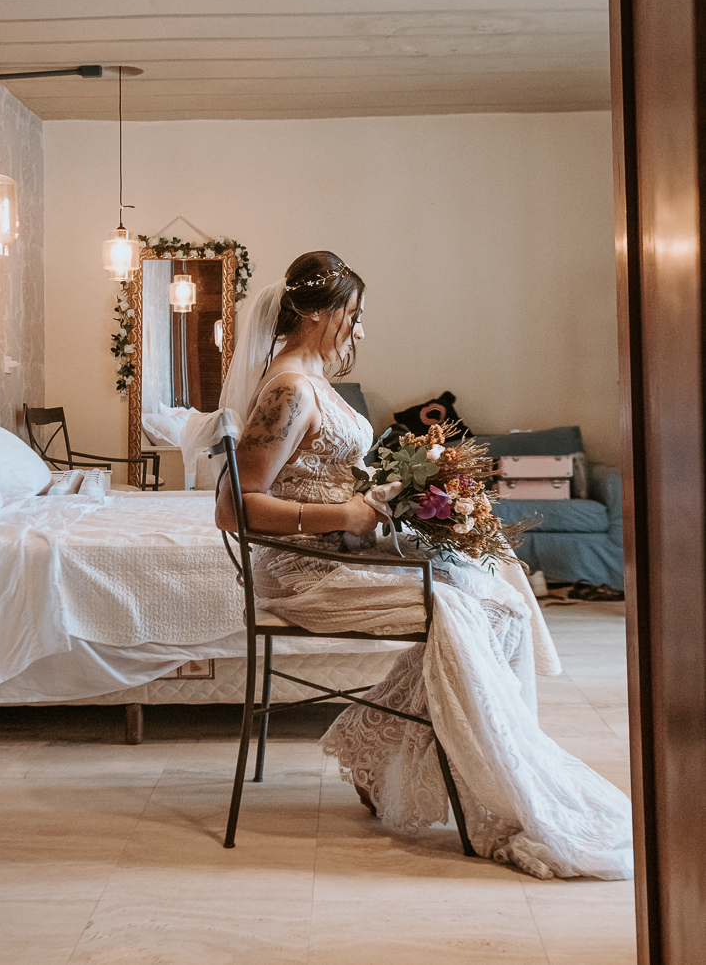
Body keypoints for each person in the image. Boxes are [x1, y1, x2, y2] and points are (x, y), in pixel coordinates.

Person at [204, 250, 634, 881]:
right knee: (477, 610)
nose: (359, 328)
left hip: (335, 551)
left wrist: (392, 497)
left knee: (496, 586)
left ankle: (374, 741)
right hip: (302, 571)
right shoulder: (290, 388)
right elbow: (231, 509)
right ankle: (458, 773)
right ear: (321, 314)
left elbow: (322, 477)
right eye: (353, 314)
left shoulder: (311, 380)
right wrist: (346, 516)